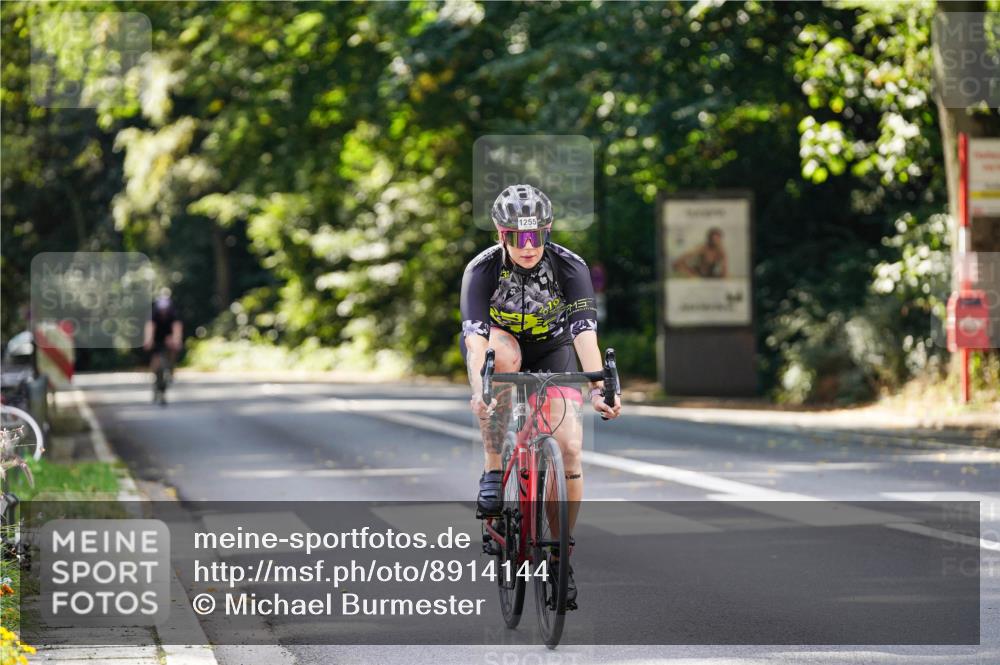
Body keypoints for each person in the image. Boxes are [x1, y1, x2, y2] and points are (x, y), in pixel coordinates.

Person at [460, 184, 622, 607]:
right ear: (502, 235)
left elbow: (584, 334)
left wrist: (600, 387)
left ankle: (560, 555)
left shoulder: (569, 266)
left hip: (554, 349)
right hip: (501, 345)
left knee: (569, 448)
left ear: (547, 232)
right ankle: (494, 467)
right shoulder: (482, 270)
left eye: (536, 235)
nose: (528, 246)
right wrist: (480, 390)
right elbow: (476, 344)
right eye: (518, 237)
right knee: (503, 358)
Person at [142, 291, 183, 398]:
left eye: (165, 309)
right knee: (156, 361)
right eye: (161, 309)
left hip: (168, 337)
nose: (163, 311)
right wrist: (148, 341)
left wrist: (176, 341)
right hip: (157, 337)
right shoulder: (154, 314)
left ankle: (171, 369)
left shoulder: (173, 314)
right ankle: (156, 379)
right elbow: (150, 328)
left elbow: (177, 328)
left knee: (172, 351)